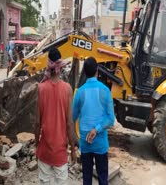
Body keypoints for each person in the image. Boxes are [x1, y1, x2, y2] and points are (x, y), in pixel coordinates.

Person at [35, 47, 77, 185]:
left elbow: (37, 122)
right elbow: (70, 123)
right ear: (60, 67)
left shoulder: (40, 88)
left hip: (45, 150)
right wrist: (72, 149)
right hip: (60, 151)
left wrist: (37, 145)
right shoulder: (67, 89)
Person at [72, 57, 115, 185]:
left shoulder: (79, 93)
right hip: (100, 143)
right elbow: (110, 119)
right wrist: (97, 128)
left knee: (86, 179)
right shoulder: (105, 91)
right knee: (102, 178)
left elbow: (72, 119)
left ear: (84, 72)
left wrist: (70, 142)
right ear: (97, 70)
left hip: (85, 143)